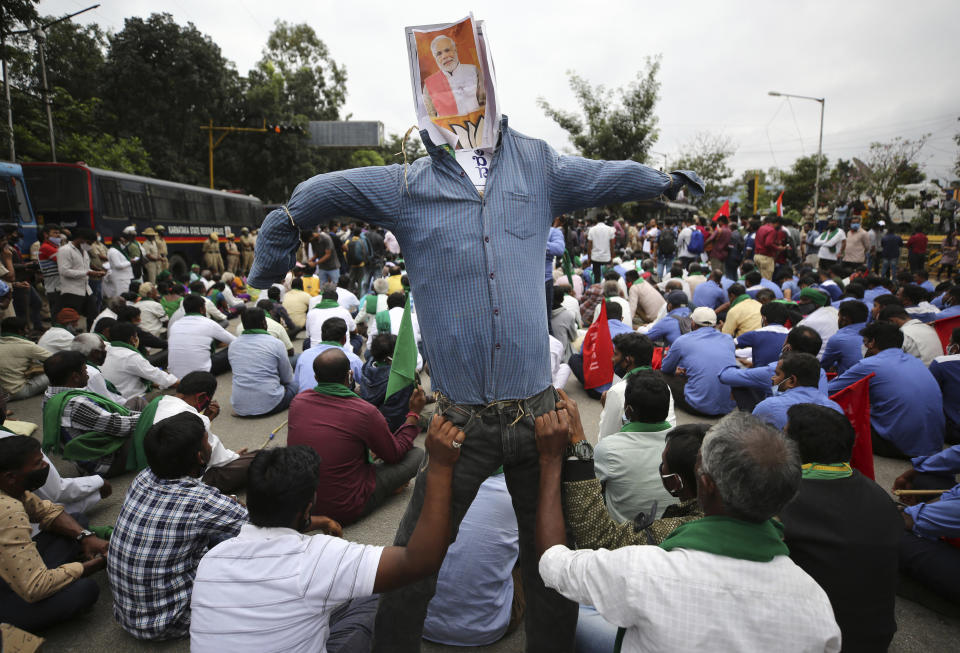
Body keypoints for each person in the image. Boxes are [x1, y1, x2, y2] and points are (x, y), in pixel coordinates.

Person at [249, 96, 703, 649]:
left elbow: (605, 177)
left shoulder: (539, 165)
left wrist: (660, 180)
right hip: (458, 424)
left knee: (551, 564)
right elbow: (327, 190)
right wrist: (285, 225)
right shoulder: (406, 184)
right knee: (417, 562)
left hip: (539, 418)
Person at [536, 410, 841, 652]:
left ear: (705, 485)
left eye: (698, 465)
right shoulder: (816, 605)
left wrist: (551, 461)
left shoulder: (645, 569)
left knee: (578, 613)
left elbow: (554, 560)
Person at [191, 416, 464, 652]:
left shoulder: (212, 560)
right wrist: (440, 466)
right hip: (324, 555)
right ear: (307, 506)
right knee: (378, 595)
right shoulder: (319, 557)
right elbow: (419, 562)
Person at [108, 412, 248, 641]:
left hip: (128, 615)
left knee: (213, 531)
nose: (211, 445)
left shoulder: (143, 478)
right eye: (207, 442)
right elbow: (262, 527)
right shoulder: (203, 501)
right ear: (200, 457)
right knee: (249, 549)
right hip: (174, 620)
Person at [780, 403, 902, 652]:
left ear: (795, 450)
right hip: (875, 640)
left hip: (813, 641)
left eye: (784, 434)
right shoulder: (879, 496)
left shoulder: (781, 502)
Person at [288, 348, 426, 525]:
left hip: (302, 505)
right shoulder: (364, 411)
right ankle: (384, 491)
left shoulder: (297, 403)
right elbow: (394, 454)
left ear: (316, 378)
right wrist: (414, 414)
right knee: (417, 455)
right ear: (350, 375)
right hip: (347, 506)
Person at [0, 435, 108, 631]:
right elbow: (35, 587)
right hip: (11, 591)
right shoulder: (7, 509)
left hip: (12, 570)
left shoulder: (11, 487)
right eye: (37, 463)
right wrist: (96, 564)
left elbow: (47, 511)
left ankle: (61, 574)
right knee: (84, 591)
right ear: (10, 476)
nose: (44, 467)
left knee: (77, 523)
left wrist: (86, 536)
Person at [422, 471, 520, 647]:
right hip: (487, 628)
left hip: (420, 621)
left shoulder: (437, 473)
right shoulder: (520, 488)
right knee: (542, 556)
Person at [828, 321, 943, 458]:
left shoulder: (870, 364)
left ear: (872, 343)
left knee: (837, 417)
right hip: (934, 445)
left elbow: (829, 391)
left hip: (898, 446)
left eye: (864, 342)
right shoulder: (915, 361)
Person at [595, 370, 676, 522]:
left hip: (624, 537)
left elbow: (592, 490)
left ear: (628, 410)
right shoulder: (683, 442)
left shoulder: (608, 448)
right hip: (671, 532)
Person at [153, 372, 254, 494]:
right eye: (210, 399)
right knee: (259, 458)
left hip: (163, 474)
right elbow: (217, 458)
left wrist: (207, 420)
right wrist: (236, 457)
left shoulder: (162, 404)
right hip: (193, 482)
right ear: (201, 397)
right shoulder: (196, 419)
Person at [661, 307, 737, 416]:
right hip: (728, 407)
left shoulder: (682, 341)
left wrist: (676, 371)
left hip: (698, 407)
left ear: (693, 323)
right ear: (715, 324)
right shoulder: (728, 339)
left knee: (660, 375)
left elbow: (666, 368)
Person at [597, 332, 676, 438]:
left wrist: (606, 409)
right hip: (665, 446)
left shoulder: (617, 391)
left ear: (628, 360)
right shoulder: (664, 386)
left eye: (616, 354)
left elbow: (605, 438)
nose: (612, 359)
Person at [228, 308, 297, 417]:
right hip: (270, 404)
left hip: (239, 406)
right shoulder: (275, 343)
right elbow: (287, 378)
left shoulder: (233, 345)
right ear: (264, 323)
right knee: (296, 383)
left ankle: (249, 406)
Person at [751, 353, 844, 430]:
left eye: (777, 374)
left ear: (791, 381)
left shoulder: (768, 407)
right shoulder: (836, 408)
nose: (773, 378)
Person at [100, 320, 177, 400]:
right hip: (133, 401)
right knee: (177, 390)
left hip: (114, 398)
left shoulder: (105, 350)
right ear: (133, 339)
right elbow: (164, 379)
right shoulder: (130, 356)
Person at [168, 294, 235, 378]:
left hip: (175, 374)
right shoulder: (208, 323)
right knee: (237, 347)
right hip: (201, 373)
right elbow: (236, 341)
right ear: (202, 309)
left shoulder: (175, 325)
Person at [359, 333, 415, 431]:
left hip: (367, 419)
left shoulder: (369, 364)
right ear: (389, 358)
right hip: (387, 431)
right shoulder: (400, 381)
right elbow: (396, 418)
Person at [422, 34, 484, 118]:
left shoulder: (473, 70)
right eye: (439, 54)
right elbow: (430, 118)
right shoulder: (429, 85)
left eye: (447, 50)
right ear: (435, 58)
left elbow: (485, 104)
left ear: (455, 50)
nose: (444, 56)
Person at [295, 317, 365, 393]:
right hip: (338, 402)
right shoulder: (352, 358)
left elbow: (296, 384)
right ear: (344, 339)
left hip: (305, 401)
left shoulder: (304, 355)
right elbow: (367, 384)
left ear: (322, 336)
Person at [56, 227, 104, 327]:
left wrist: (96, 272)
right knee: (70, 319)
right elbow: (64, 271)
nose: (90, 246)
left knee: (94, 316)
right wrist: (87, 273)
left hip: (86, 289)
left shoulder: (84, 251)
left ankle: (92, 337)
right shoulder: (65, 250)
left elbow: (84, 268)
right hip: (72, 291)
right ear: (81, 239)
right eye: (89, 243)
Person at [70, 333, 132, 407]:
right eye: (103, 348)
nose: (105, 351)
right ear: (95, 353)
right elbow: (110, 404)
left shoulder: (73, 366)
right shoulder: (91, 373)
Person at [0, 316, 51, 400]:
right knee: (57, 373)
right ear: (20, 331)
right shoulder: (27, 345)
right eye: (27, 328)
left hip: (2, 393)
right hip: (18, 391)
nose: (28, 331)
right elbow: (57, 360)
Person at [877, 304, 943, 366]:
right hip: (935, 371)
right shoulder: (928, 327)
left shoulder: (902, 333)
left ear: (892, 321)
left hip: (921, 373)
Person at [734, 301, 789, 368]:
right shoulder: (791, 335)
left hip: (760, 374)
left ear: (764, 318)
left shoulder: (756, 334)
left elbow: (729, 344)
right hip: (785, 375)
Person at [820, 299, 868, 374]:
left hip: (853, 383)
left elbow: (822, 367)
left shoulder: (838, 339)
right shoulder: (875, 332)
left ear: (844, 319)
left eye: (838, 316)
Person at [930, 327, 960, 443]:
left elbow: (930, 394)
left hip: (954, 431)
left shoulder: (942, 363)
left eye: (950, 342)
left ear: (955, 347)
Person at [796, 288, 838, 357]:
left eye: (804, 300)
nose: (800, 302)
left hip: (815, 361)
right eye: (800, 299)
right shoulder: (835, 311)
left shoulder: (809, 322)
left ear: (817, 303)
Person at [103, 232, 135, 299]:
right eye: (123, 242)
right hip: (120, 278)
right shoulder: (113, 251)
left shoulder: (118, 250)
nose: (124, 243)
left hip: (123, 277)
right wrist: (130, 262)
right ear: (118, 242)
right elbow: (118, 265)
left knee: (123, 296)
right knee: (120, 297)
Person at [587, 215, 616, 285]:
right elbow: (612, 245)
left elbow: (589, 245)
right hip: (607, 258)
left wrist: (589, 257)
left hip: (595, 258)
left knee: (597, 278)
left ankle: (598, 292)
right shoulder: (610, 229)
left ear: (596, 219)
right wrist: (612, 256)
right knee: (608, 278)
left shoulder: (592, 229)